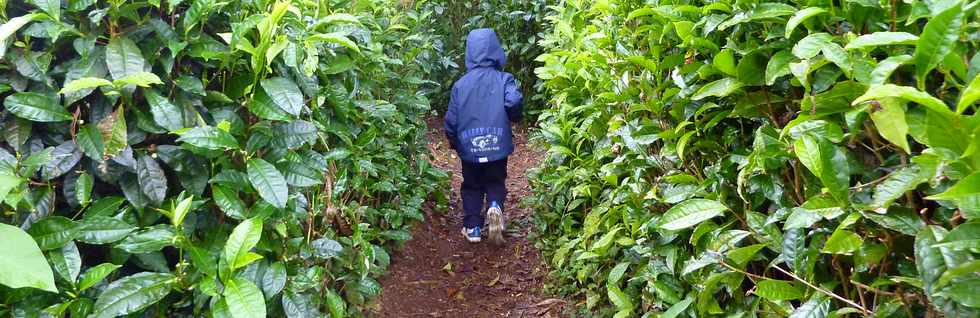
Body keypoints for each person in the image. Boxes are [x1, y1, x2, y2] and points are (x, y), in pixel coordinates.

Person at [443, 28, 523, 244]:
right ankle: (495, 206)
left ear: (469, 52)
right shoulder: (504, 79)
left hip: (470, 146)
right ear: (496, 50)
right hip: (497, 144)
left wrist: (454, 142)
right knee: (495, 180)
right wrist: (514, 117)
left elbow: (452, 119)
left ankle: (473, 228)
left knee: (471, 185)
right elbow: (513, 101)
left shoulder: (461, 85)